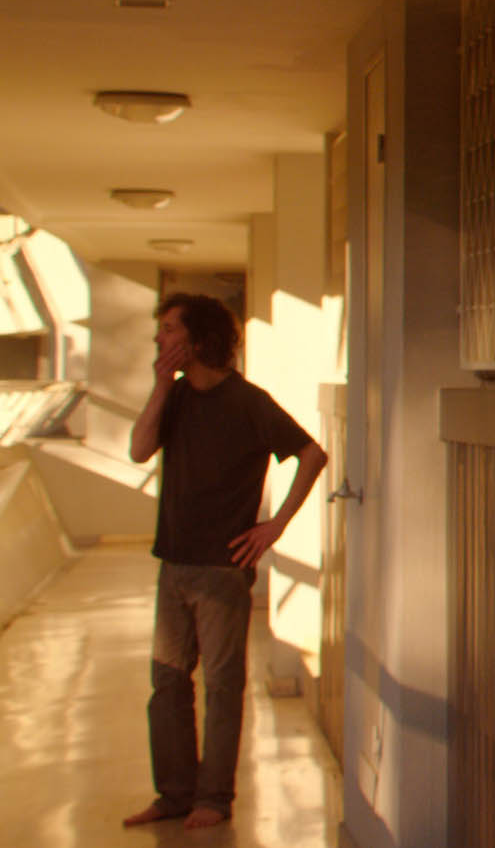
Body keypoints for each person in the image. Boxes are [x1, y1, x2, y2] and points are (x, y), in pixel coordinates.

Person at [121, 292, 327, 830]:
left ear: (198, 340)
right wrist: (161, 386)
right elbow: (138, 450)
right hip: (173, 563)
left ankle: (214, 799)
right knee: (167, 685)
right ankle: (174, 795)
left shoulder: (248, 401)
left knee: (221, 687)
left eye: (169, 329)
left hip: (222, 570)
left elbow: (313, 453)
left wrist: (276, 525)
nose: (159, 338)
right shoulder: (175, 396)